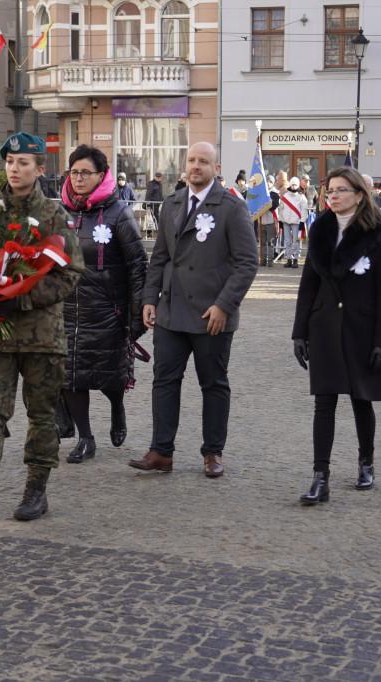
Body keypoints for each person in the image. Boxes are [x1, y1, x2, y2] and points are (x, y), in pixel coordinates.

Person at [0, 132, 84, 533]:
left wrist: (21, 299)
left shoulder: (53, 215)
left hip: (41, 339)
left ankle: (36, 490)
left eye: (23, 162)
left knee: (41, 416)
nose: (14, 168)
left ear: (40, 169)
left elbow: (71, 274)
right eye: (10, 161)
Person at [129, 141, 258, 478]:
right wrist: (148, 299)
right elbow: (159, 258)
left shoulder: (231, 206)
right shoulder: (172, 204)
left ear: (216, 169)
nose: (196, 166)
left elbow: (247, 263)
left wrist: (224, 305)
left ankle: (212, 452)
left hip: (211, 314)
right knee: (164, 381)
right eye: (191, 160)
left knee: (213, 384)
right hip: (171, 311)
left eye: (204, 161)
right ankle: (161, 451)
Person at [292, 166, 381, 504]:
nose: (332, 196)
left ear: (359, 196)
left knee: (361, 400)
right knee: (324, 402)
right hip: (324, 327)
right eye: (329, 191)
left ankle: (366, 461)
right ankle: (320, 478)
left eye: (340, 190)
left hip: (361, 329)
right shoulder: (320, 227)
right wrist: (299, 332)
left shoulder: (378, 233)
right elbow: (308, 285)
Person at [58, 145, 148, 463]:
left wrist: (136, 317)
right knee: (71, 376)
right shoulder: (61, 212)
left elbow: (138, 265)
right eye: (74, 172)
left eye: (86, 172)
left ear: (102, 175)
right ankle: (85, 438)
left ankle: (117, 408)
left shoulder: (118, 213)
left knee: (110, 375)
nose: (79, 178)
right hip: (68, 312)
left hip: (108, 312)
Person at [278, 176, 308, 268]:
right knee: (288, 241)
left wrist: (302, 222)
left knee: (295, 242)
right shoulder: (285, 197)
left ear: (297, 185)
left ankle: (295, 259)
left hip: (296, 222)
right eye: (292, 184)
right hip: (286, 222)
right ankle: (288, 259)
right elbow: (280, 209)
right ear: (290, 185)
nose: (294, 186)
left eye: (295, 185)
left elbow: (304, 210)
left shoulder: (301, 197)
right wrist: (280, 221)